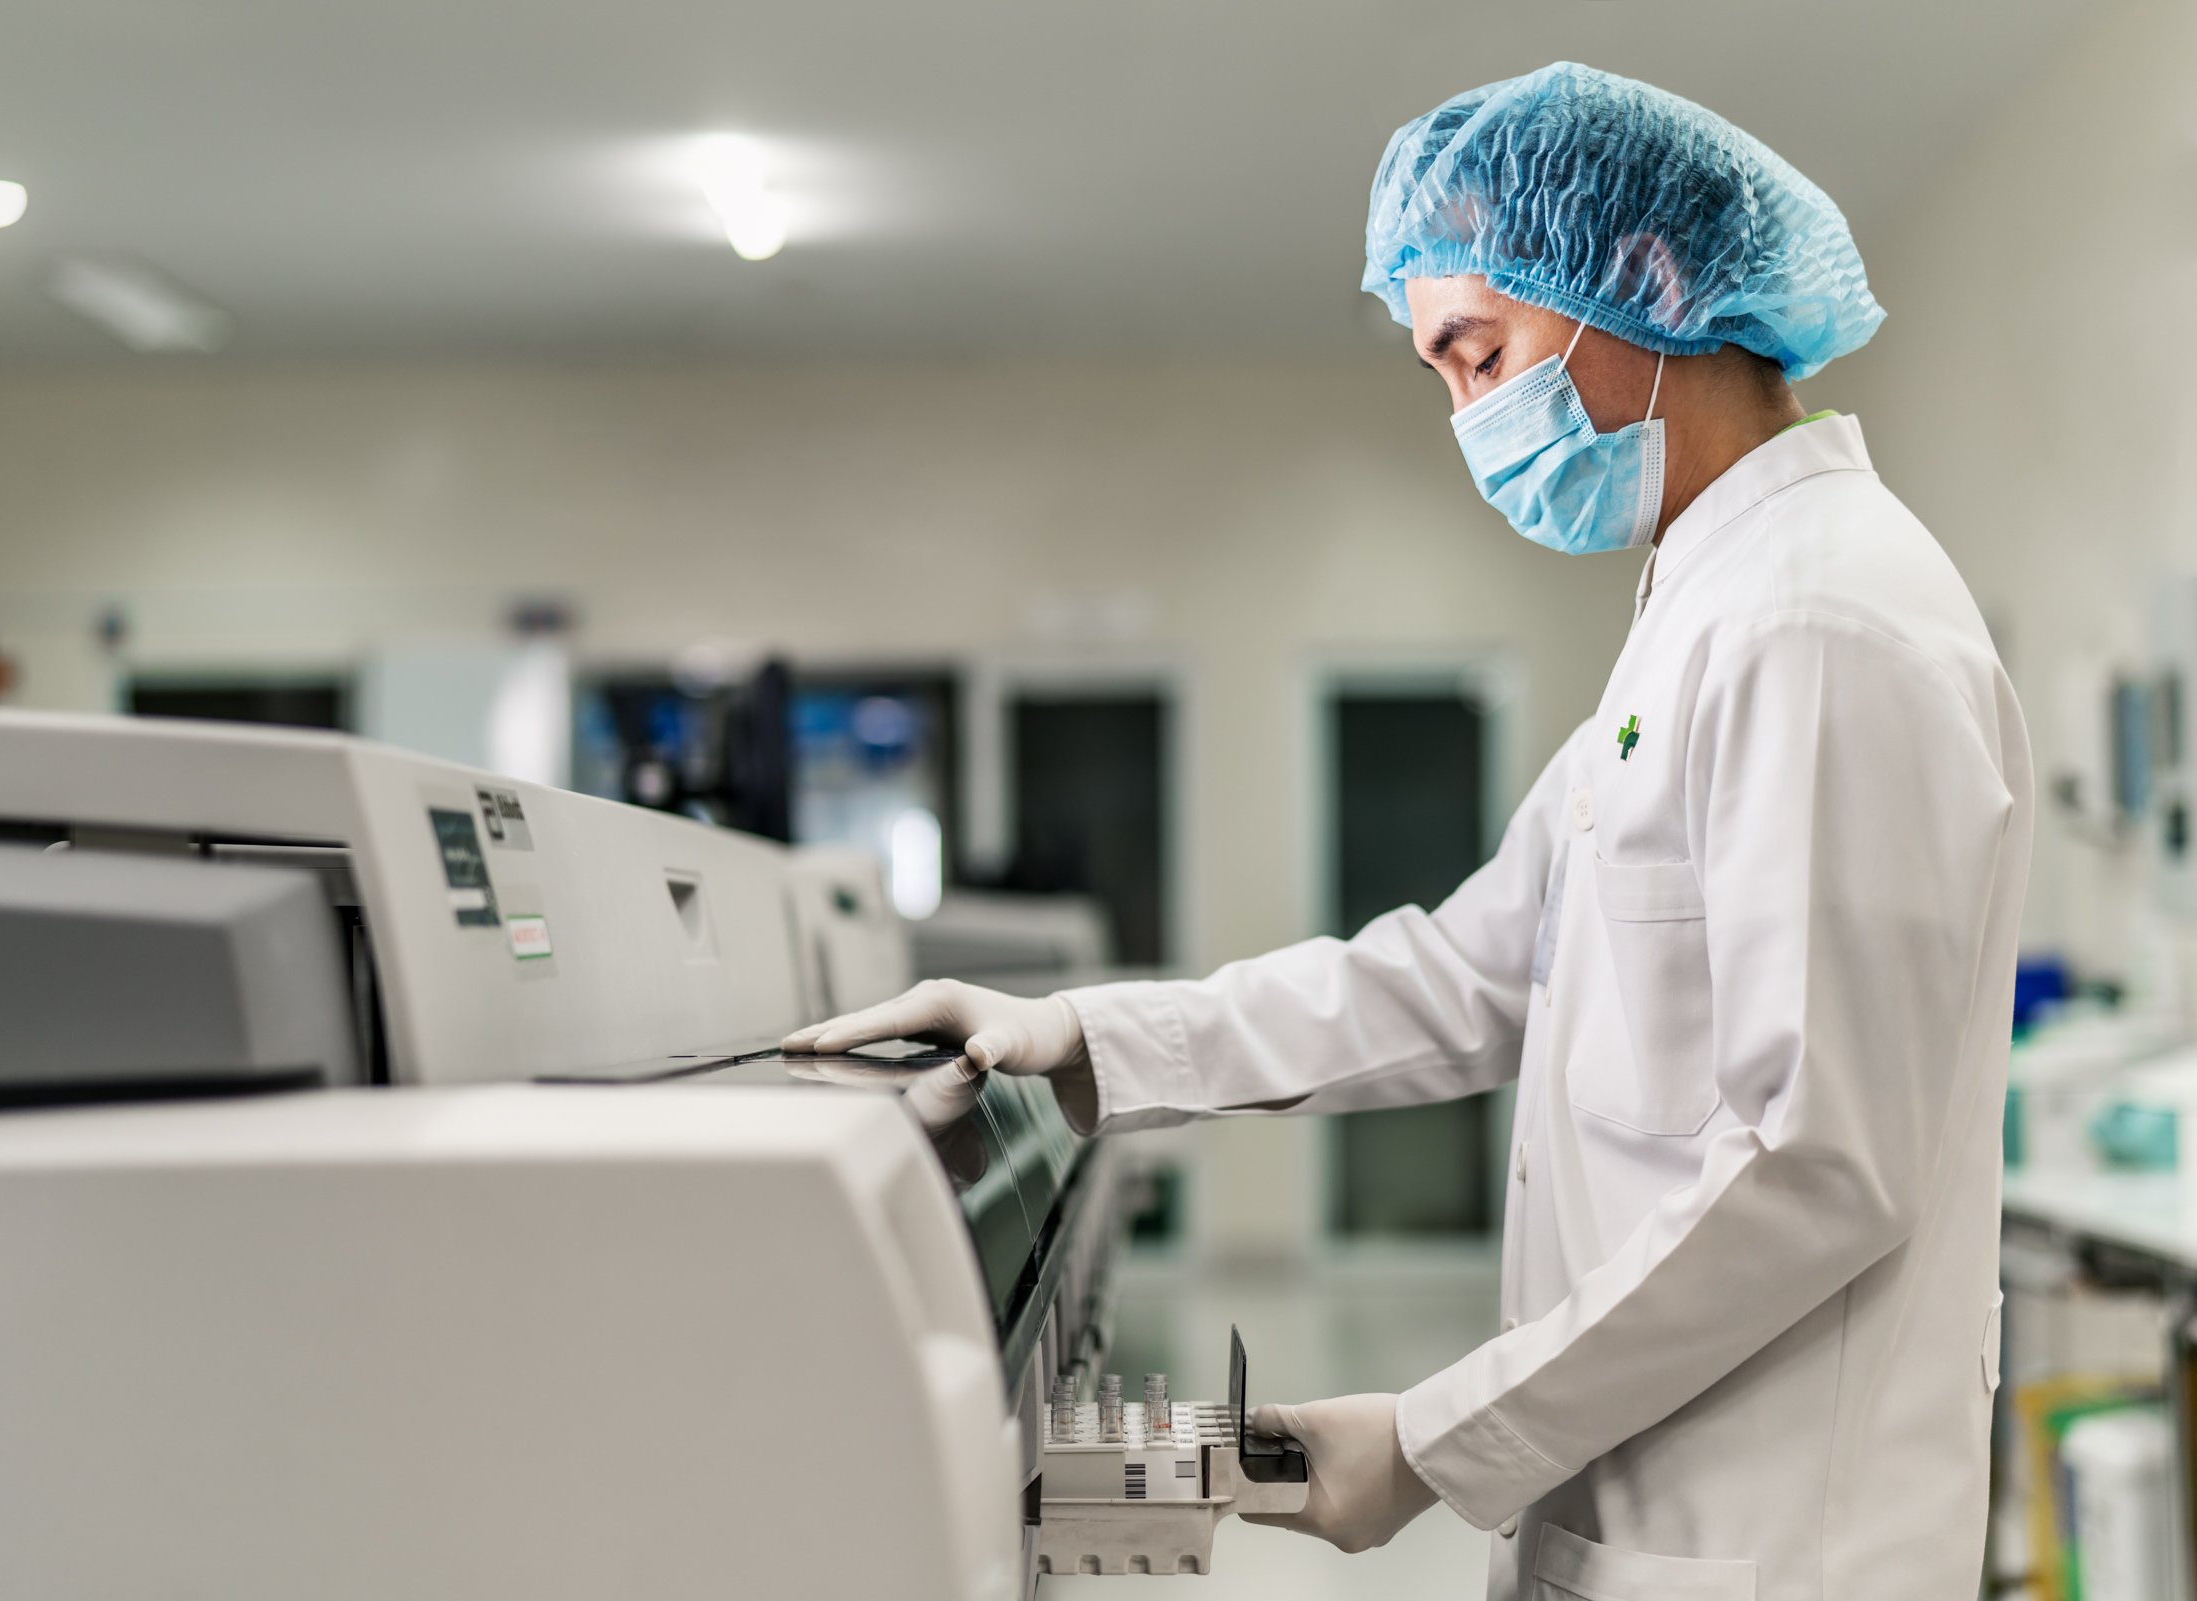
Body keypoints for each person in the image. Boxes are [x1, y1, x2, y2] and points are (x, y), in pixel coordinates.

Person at [787, 61, 2030, 1601]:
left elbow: (1818, 1161)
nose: (1467, 413)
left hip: (1767, 1547)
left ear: (1643, 280)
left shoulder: (1823, 619)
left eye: (1480, 350)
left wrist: (1436, 1440)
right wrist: (1085, 1039)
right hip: (1643, 1516)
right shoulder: (1704, 609)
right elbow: (1461, 973)